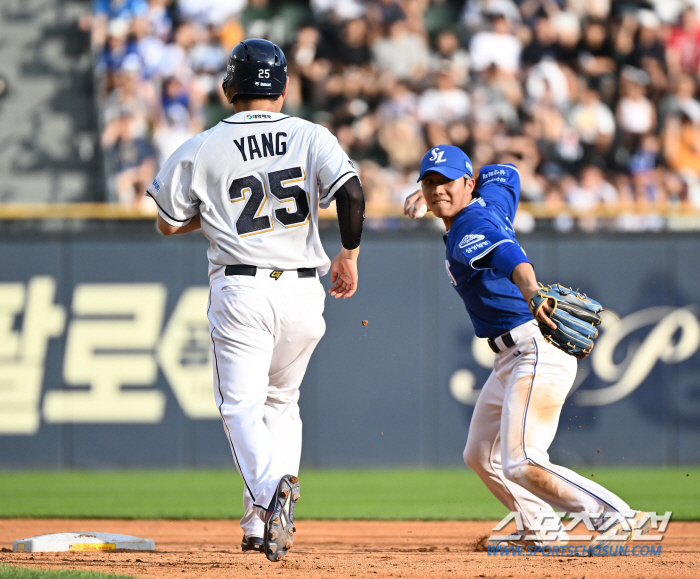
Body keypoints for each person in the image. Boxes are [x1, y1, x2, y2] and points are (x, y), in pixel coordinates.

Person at [147, 39, 365, 562]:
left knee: (238, 407)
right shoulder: (311, 134)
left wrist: (218, 210)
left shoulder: (201, 146)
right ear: (285, 90)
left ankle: (270, 495)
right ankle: (256, 524)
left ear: (228, 89)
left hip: (242, 289)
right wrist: (349, 256)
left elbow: (168, 222)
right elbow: (352, 193)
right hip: (303, 290)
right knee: (280, 405)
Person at [403, 145, 647, 546]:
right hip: (510, 357)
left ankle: (617, 518)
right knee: (481, 456)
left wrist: (532, 291)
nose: (436, 190)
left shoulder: (469, 225)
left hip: (534, 348)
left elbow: (508, 254)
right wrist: (447, 187)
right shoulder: (489, 199)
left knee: (522, 460)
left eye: (445, 181)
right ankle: (543, 530)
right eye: (429, 182)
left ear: (467, 184)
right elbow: (506, 172)